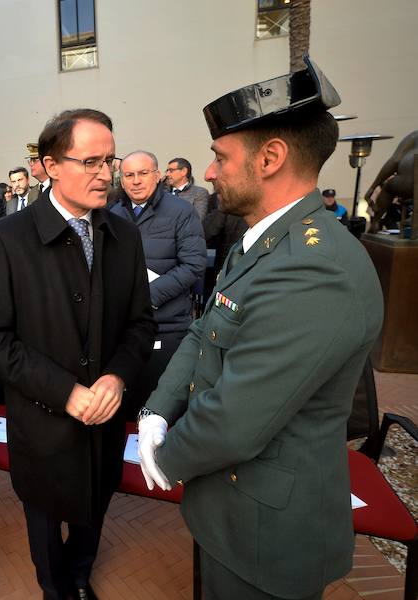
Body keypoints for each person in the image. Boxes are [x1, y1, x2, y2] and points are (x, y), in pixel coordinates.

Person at [138, 57, 384, 600]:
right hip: (230, 509)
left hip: (267, 535)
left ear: (270, 158)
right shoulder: (261, 241)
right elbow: (205, 332)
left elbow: (234, 420)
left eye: (220, 157)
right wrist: (158, 410)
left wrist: (163, 454)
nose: (208, 172)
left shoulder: (315, 267)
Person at [0, 109, 156, 600]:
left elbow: (141, 324)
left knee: (95, 508)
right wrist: (65, 392)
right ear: (51, 166)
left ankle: (79, 577)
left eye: (110, 161)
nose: (106, 174)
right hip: (43, 421)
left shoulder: (125, 235)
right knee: (44, 519)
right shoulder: (7, 239)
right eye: (91, 161)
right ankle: (56, 589)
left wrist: (116, 378)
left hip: (107, 418)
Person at [110, 150, 206, 415]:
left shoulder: (181, 212)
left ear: (157, 175)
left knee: (159, 407)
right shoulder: (113, 214)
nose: (136, 181)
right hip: (124, 328)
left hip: (166, 325)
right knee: (125, 406)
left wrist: (148, 295)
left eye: (143, 173)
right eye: (129, 175)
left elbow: (193, 264)